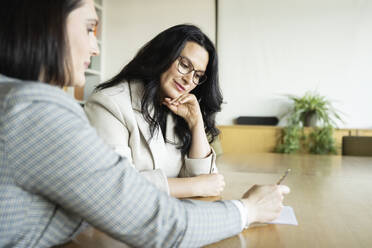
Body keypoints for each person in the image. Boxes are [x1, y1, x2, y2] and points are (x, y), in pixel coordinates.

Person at [0, 0, 290, 247]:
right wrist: (248, 209)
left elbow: (208, 184)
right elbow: (142, 212)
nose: (95, 47)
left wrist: (196, 124)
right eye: (89, 29)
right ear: (47, 25)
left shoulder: (19, 98)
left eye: (198, 75)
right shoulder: (35, 108)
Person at [84, 24, 225, 198]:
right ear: (163, 55)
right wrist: (194, 187)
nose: (189, 80)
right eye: (185, 65)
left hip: (173, 214)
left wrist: (196, 123)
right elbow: (115, 184)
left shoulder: (177, 109)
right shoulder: (109, 103)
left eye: (197, 75)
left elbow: (208, 180)